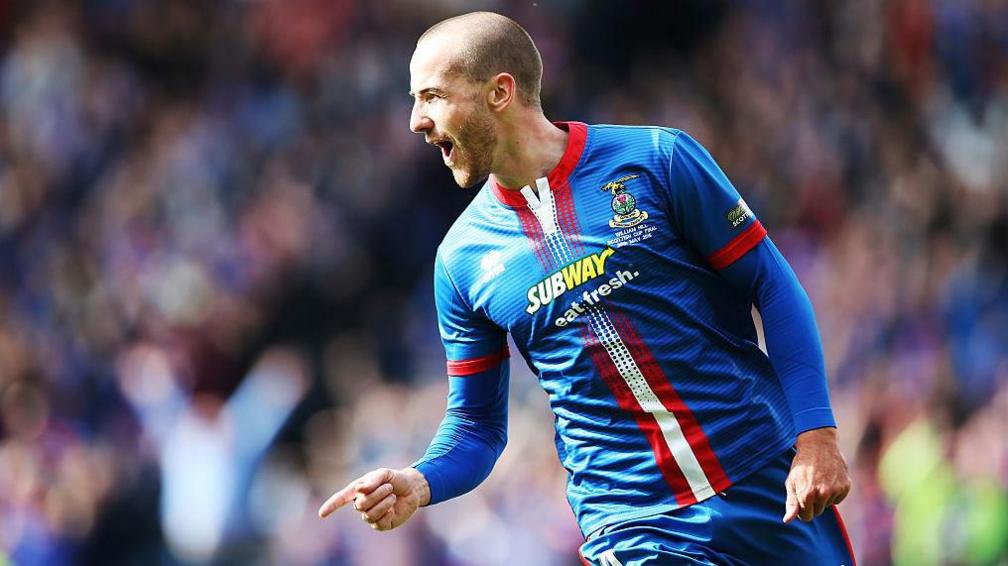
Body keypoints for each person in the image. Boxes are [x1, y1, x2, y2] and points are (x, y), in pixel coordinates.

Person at [319, 11, 855, 565]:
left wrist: (816, 437)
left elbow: (771, 285)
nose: (415, 121)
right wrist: (421, 480)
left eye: (432, 96)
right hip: (633, 522)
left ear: (500, 92)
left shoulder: (656, 160)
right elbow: (476, 425)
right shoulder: (461, 261)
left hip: (765, 480)